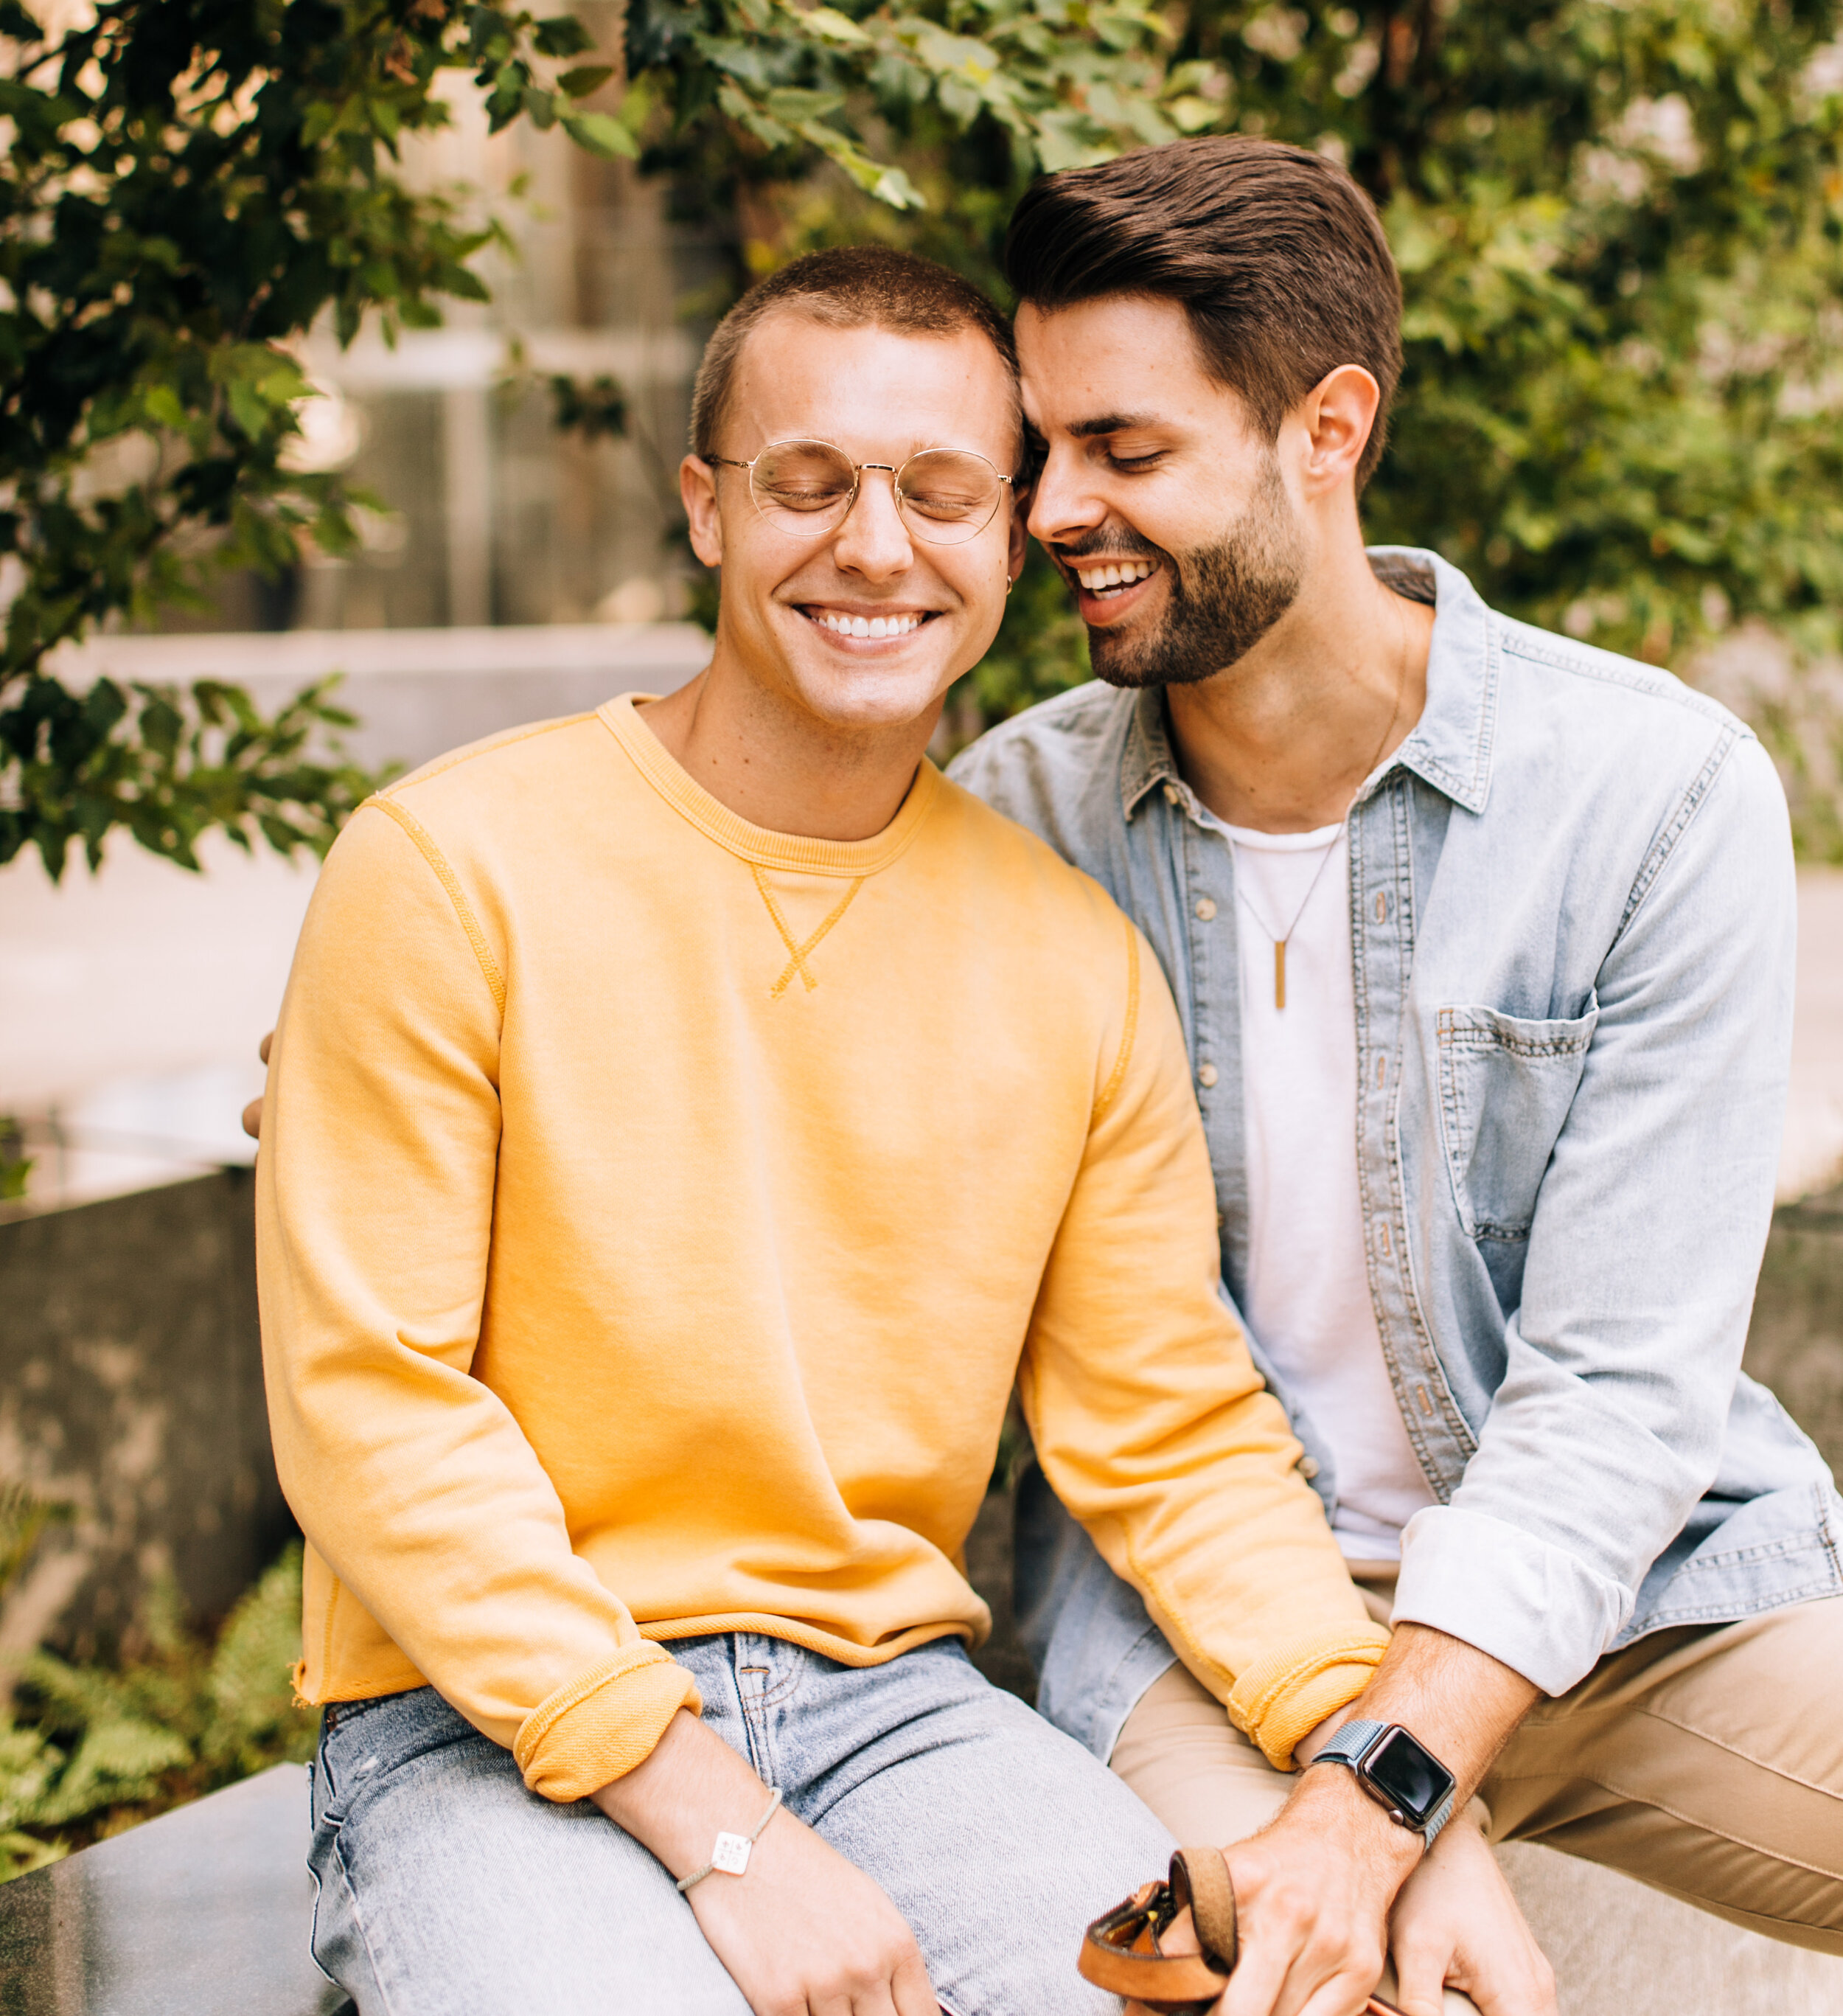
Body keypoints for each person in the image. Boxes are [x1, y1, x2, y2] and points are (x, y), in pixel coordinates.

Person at [255, 244, 1443, 2016]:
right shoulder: (446, 870)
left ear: (1008, 526)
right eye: (809, 485)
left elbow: (1173, 1439)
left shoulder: (1068, 958)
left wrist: (1381, 1784)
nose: (875, 548)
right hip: (476, 1721)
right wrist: (727, 1838)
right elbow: (375, 1407)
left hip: (894, 1710)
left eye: (941, 492)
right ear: (706, 509)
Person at [950, 137, 1843, 2010]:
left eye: (1121, 449)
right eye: (1038, 450)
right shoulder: (1001, 825)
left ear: (1324, 430)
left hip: (1629, 1615)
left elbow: (1614, 1397)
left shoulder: (1653, 800)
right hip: (1195, 1634)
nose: (1046, 509)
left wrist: (1387, 1788)